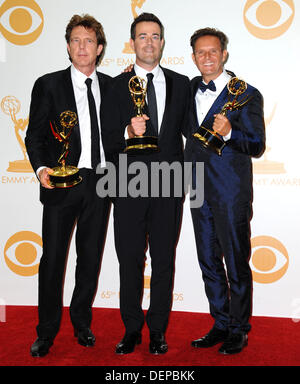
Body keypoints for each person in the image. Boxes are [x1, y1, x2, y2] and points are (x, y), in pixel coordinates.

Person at [102, 13, 190, 354]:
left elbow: (193, 134)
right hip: (128, 186)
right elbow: (106, 137)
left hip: (169, 185)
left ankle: (158, 331)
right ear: (132, 43)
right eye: (142, 36)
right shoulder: (114, 85)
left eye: (155, 36)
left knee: (164, 260)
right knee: (129, 260)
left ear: (163, 42)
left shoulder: (182, 83)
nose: (149, 42)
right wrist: (127, 132)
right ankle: (131, 329)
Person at [25, 14, 111, 357]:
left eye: (88, 40)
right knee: (53, 259)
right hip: (62, 182)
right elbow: (34, 135)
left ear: (99, 48)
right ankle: (46, 331)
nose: (82, 46)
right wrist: (42, 168)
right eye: (75, 40)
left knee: (90, 258)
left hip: (102, 182)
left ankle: (81, 323)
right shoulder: (48, 84)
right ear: (67, 46)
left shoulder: (113, 86)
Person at [185, 28, 265, 354]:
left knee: (235, 262)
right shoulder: (185, 89)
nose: (207, 57)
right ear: (193, 57)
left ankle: (239, 328)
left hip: (231, 192)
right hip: (196, 189)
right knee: (208, 262)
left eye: (213, 51)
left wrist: (231, 132)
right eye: (200, 52)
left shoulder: (247, 94)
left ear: (224, 54)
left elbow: (257, 145)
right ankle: (219, 323)